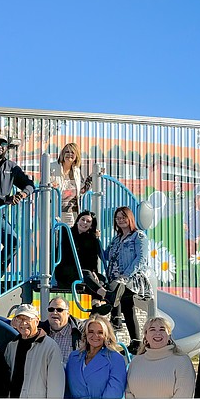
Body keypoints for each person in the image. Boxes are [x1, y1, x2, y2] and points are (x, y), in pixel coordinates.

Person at [92, 206, 151, 352]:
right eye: (118, 218)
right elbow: (105, 256)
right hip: (115, 277)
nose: (120, 220)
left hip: (130, 278)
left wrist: (126, 275)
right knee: (128, 308)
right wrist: (97, 240)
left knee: (115, 293)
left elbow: (141, 258)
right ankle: (136, 341)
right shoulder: (116, 239)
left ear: (130, 218)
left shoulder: (138, 236)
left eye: (123, 217)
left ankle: (112, 312)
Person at [53, 210, 106, 294]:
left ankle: (96, 301)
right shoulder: (66, 232)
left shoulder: (91, 239)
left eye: (88, 221)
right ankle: (105, 294)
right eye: (82, 219)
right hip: (66, 271)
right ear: (78, 220)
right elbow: (66, 255)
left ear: (91, 226)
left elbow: (92, 259)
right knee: (86, 274)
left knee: (101, 278)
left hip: (81, 272)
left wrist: (93, 272)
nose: (84, 223)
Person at [48, 142, 92, 227]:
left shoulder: (76, 171)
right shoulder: (52, 167)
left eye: (72, 152)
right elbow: (45, 185)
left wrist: (92, 179)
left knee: (69, 236)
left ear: (76, 156)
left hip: (71, 211)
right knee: (54, 236)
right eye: (67, 152)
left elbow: (80, 190)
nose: (69, 154)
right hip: (55, 209)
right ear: (63, 154)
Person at [185, 189, 200, 263]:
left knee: (194, 256)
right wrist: (186, 228)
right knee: (190, 254)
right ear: (197, 200)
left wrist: (199, 238)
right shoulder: (189, 211)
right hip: (189, 237)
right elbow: (184, 224)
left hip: (197, 238)